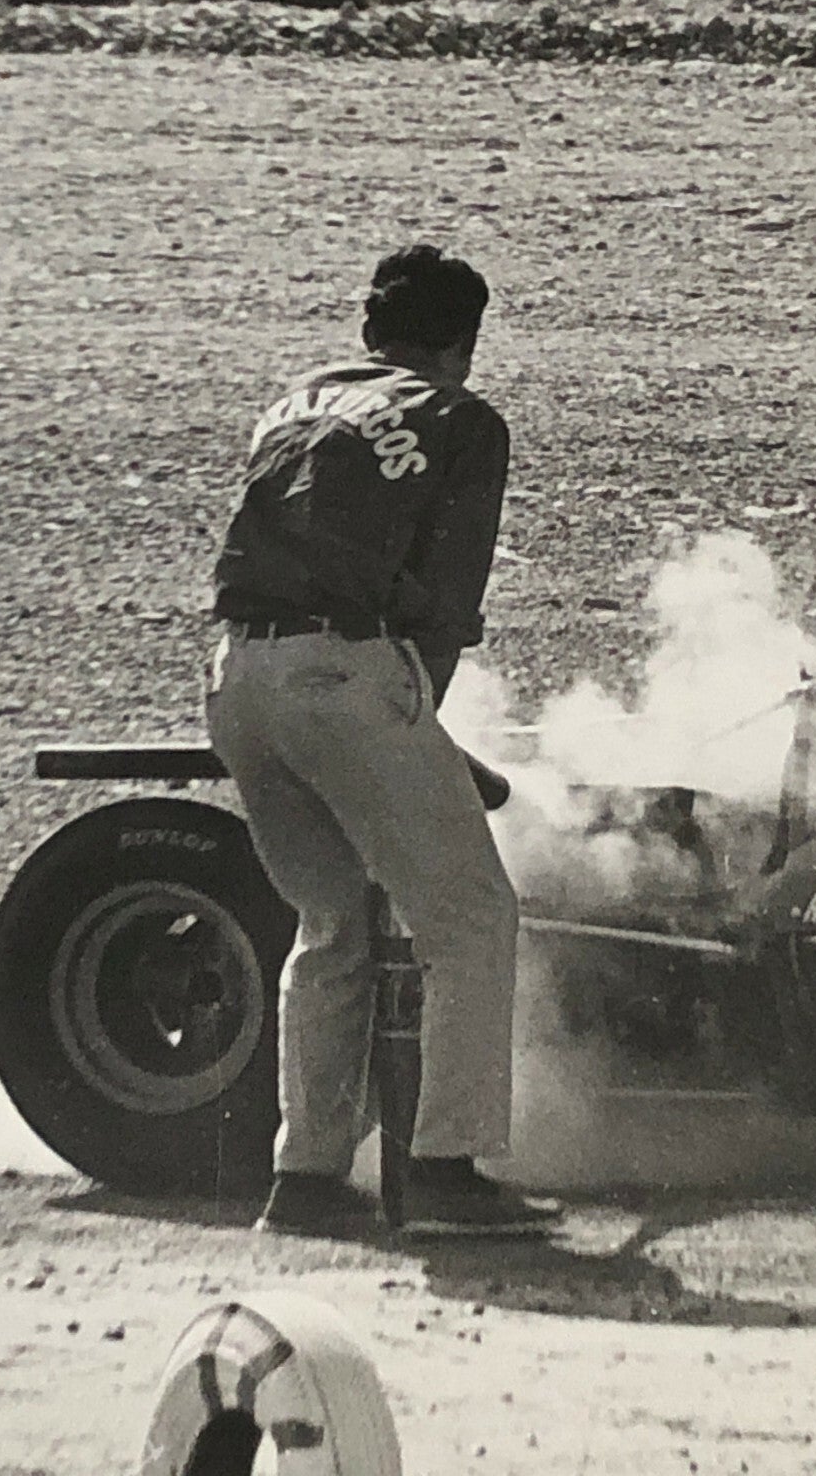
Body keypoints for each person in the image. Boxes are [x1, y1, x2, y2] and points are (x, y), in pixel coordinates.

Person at [205, 243, 560, 1234]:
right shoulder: (459, 416)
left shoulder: (292, 401)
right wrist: (419, 726)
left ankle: (306, 1181)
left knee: (328, 924)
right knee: (469, 914)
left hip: (234, 675)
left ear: (368, 331)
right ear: (464, 344)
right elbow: (444, 602)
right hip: (342, 674)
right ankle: (446, 1173)